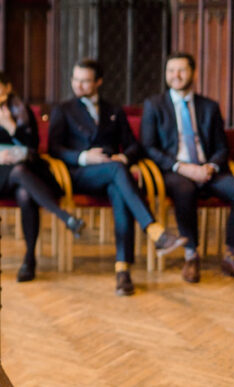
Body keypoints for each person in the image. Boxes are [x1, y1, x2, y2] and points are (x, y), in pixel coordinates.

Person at [48, 58, 185, 296]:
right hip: (78, 174)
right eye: (76, 80)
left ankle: (123, 272)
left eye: (85, 81)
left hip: (113, 173)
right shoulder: (63, 109)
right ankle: (153, 230)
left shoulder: (113, 110)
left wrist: (125, 158)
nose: (79, 85)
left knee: (120, 188)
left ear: (98, 82)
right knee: (118, 174)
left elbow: (133, 146)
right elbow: (54, 149)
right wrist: (83, 157)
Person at [140, 52, 234, 284]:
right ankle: (191, 255)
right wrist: (181, 167)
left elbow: (222, 147)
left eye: (181, 70)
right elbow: (149, 147)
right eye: (171, 71)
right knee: (185, 190)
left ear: (193, 73)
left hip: (208, 171)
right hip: (175, 171)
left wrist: (211, 167)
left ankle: (232, 256)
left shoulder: (209, 107)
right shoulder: (154, 105)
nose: (176, 75)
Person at [0, 71, 84, 282]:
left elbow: (32, 146)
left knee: (24, 194)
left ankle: (29, 259)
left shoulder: (23, 111)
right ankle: (64, 217)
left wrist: (10, 126)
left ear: (8, 88)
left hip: (27, 168)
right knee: (19, 173)